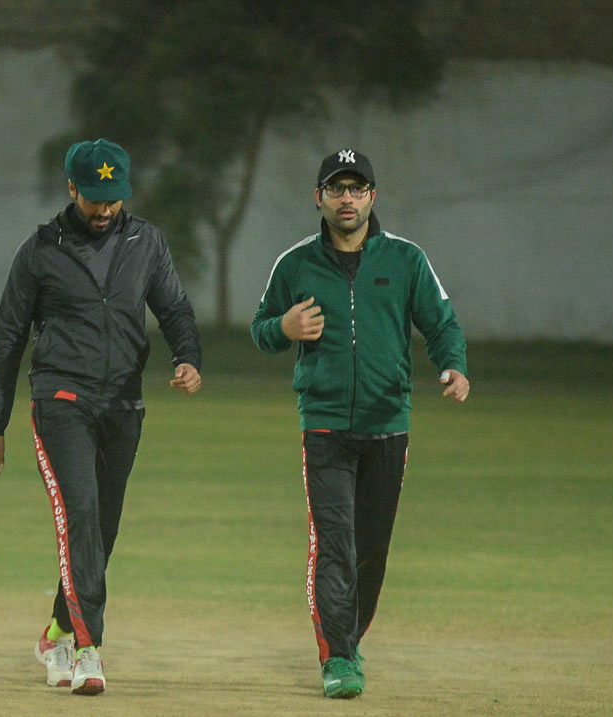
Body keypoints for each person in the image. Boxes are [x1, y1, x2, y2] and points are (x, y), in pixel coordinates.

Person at [0, 138, 202, 696]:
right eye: (94, 198)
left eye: (113, 198)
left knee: (102, 531)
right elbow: (8, 340)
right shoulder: (39, 251)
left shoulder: (147, 242)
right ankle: (87, 648)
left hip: (123, 404)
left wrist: (188, 358)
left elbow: (174, 308)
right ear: (72, 188)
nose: (104, 209)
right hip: (61, 400)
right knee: (79, 514)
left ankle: (56, 632)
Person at [251, 149, 469, 699]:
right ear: (318, 197)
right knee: (335, 546)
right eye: (336, 188)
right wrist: (283, 327)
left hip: (387, 424)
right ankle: (339, 657)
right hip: (324, 426)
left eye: (356, 188)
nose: (346, 199)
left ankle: (349, 638)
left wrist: (453, 365)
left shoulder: (406, 259)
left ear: (372, 196)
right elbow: (261, 328)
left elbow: (441, 322)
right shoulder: (295, 264)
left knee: (371, 550)